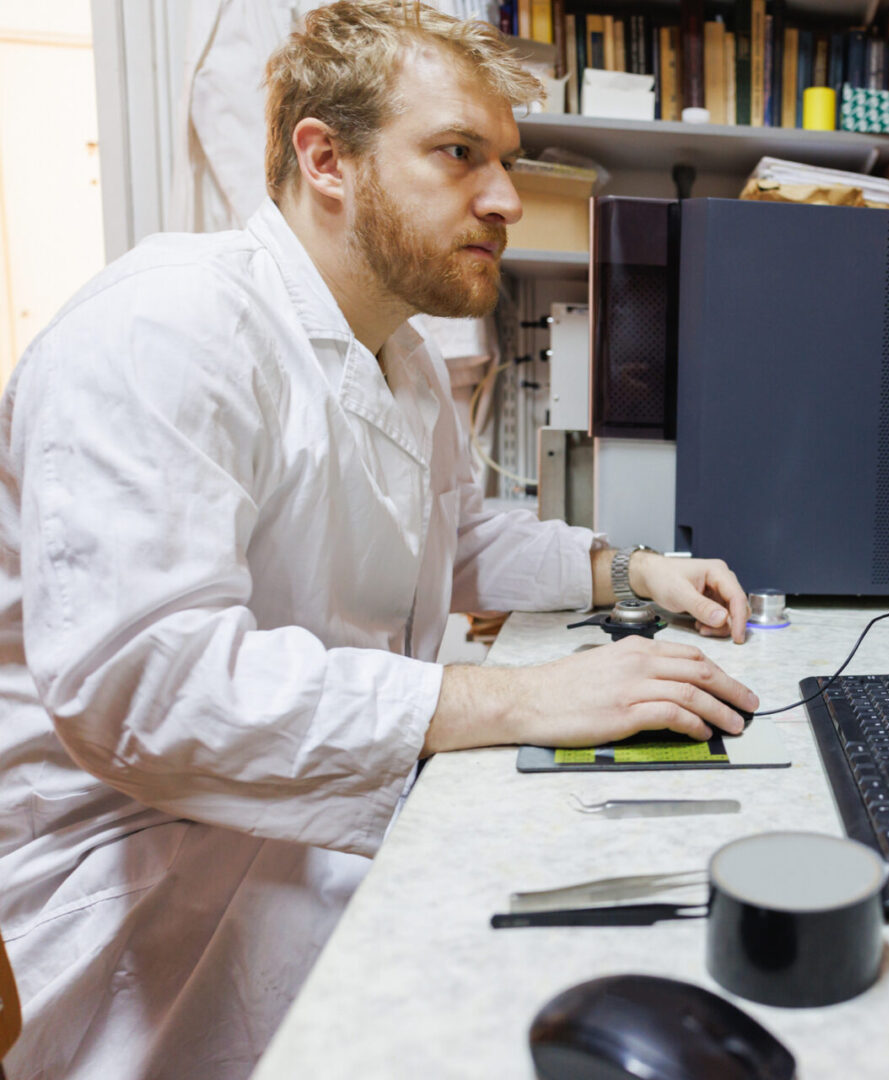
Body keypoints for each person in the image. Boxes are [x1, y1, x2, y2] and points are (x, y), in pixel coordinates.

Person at [0, 4, 758, 1077]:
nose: (503, 199)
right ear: (325, 159)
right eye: (458, 154)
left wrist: (631, 569)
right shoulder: (164, 327)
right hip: (150, 891)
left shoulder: (398, 361)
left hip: (301, 815)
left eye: (506, 161)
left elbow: (451, 539)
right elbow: (146, 687)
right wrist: (513, 699)